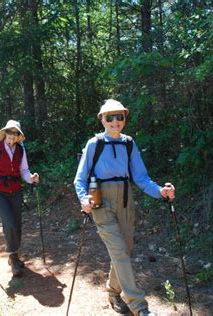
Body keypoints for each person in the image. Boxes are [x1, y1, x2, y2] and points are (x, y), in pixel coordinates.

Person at [74, 99, 176, 316]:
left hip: (126, 200)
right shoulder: (94, 144)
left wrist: (161, 192)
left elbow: (141, 178)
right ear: (102, 119)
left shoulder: (129, 143)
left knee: (124, 251)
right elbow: (80, 179)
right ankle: (139, 307)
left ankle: (112, 292)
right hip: (100, 201)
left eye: (119, 116)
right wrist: (84, 199)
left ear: (124, 119)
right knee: (120, 252)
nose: (115, 121)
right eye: (109, 117)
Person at [0, 120, 40, 277]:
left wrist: (32, 178)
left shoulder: (21, 150)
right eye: (10, 132)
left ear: (18, 136)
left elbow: (24, 170)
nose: (13, 136)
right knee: (9, 223)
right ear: (5, 133)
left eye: (16, 133)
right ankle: (13, 258)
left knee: (17, 225)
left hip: (15, 191)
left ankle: (15, 255)